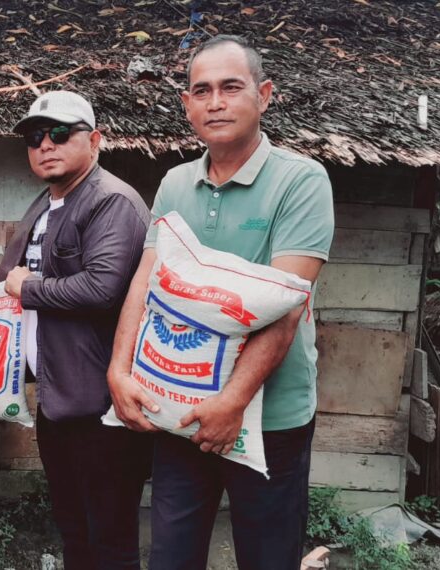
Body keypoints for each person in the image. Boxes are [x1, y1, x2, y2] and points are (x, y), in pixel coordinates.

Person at [107, 35, 335, 570]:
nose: (215, 102)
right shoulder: (175, 184)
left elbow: (287, 307)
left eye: (231, 87)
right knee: (171, 556)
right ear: (186, 103)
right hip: (180, 410)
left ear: (264, 94)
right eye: (202, 90)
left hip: (271, 417)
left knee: (267, 557)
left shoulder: (300, 181)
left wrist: (232, 403)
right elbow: (145, 281)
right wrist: (118, 370)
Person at [0, 91, 153, 570]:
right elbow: (9, 281)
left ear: (95, 140)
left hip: (103, 408)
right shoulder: (45, 204)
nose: (46, 144)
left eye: (61, 133)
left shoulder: (112, 201)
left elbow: (102, 288)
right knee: (74, 532)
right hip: (58, 401)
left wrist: (28, 287)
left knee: (110, 541)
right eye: (35, 137)